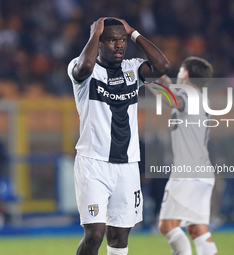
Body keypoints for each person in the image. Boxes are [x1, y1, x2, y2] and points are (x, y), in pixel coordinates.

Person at [67, 17, 169, 255]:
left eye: (122, 40)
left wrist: (133, 33)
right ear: (99, 43)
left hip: (127, 165)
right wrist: (94, 34)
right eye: (112, 40)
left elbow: (163, 67)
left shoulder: (132, 68)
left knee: (119, 235)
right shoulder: (83, 71)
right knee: (94, 235)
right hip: (93, 164)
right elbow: (84, 68)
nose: (119, 45)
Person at [147, 57, 218, 255]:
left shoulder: (190, 96)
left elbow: (172, 100)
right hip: (203, 173)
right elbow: (176, 94)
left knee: (167, 225)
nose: (178, 74)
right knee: (198, 230)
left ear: (185, 74)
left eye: (180, 71)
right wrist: (164, 82)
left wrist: (147, 82)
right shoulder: (199, 96)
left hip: (187, 173)